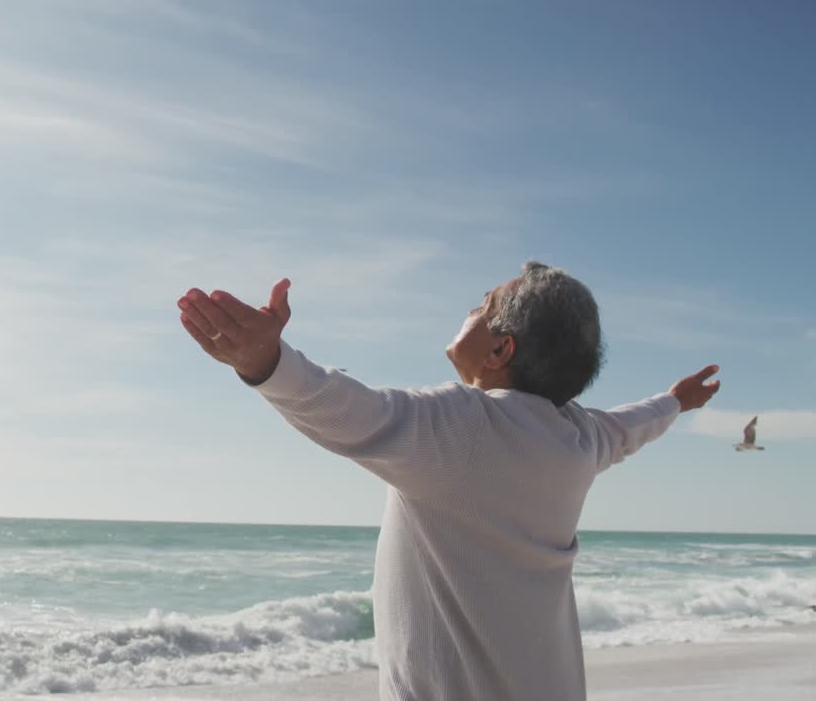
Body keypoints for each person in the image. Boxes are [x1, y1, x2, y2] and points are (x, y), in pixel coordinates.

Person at [175, 261, 721, 701]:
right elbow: (631, 426)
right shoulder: (577, 437)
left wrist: (266, 361)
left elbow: (355, 412)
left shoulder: (462, 423)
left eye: (482, 305)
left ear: (501, 349)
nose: (469, 308)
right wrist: (677, 400)